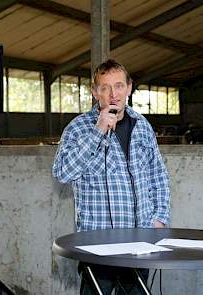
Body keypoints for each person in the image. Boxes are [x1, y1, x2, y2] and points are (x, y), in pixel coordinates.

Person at [52, 59, 170, 294]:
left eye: (118, 86)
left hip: (139, 242)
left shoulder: (142, 126)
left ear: (129, 87)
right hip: (97, 245)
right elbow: (63, 173)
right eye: (105, 87)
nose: (113, 94)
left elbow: (158, 175)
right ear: (95, 92)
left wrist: (159, 218)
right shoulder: (77, 128)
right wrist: (97, 131)